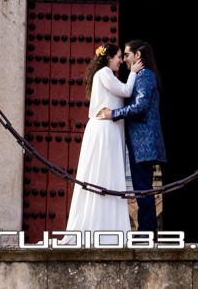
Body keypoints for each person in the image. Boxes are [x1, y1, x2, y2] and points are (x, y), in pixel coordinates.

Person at [65, 43, 134, 233]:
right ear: (108, 58)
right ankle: (101, 228)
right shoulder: (104, 73)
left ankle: (107, 227)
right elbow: (126, 91)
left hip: (109, 131)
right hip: (105, 132)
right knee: (104, 177)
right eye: (118, 57)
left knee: (108, 177)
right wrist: (135, 71)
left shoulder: (105, 75)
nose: (120, 61)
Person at [97, 39, 165, 231]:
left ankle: (147, 233)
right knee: (142, 187)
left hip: (143, 143)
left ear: (138, 56)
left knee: (143, 187)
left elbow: (140, 106)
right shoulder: (143, 76)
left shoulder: (145, 76)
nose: (125, 59)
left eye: (127, 55)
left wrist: (113, 114)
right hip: (140, 142)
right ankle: (147, 232)